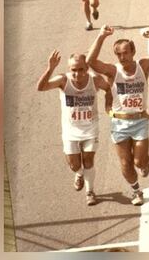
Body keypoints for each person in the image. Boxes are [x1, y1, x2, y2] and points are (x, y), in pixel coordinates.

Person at [86, 25, 149, 206]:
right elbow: (91, 61)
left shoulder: (143, 65)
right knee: (126, 163)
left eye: (125, 53)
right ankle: (136, 191)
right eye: (118, 54)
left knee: (139, 161)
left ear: (133, 52)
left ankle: (144, 163)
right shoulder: (113, 71)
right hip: (119, 123)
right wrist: (101, 36)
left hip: (140, 121)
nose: (122, 57)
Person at [36, 51, 111, 206]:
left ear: (87, 68)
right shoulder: (63, 80)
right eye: (73, 70)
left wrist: (108, 104)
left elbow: (109, 88)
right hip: (70, 130)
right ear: (69, 69)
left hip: (90, 128)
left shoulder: (95, 80)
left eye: (81, 69)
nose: (77, 73)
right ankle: (79, 174)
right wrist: (50, 68)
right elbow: (41, 87)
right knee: (74, 165)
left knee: (88, 160)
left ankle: (90, 192)